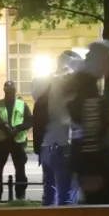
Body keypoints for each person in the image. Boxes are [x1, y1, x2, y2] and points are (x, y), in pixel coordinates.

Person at [69, 40, 109, 204]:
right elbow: (89, 133)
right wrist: (91, 172)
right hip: (95, 170)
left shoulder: (84, 84)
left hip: (92, 167)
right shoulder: (88, 88)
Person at [33, 50, 81, 206]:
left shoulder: (42, 82)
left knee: (49, 193)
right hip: (64, 145)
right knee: (67, 195)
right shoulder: (70, 81)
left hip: (46, 145)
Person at [0, 81, 32, 201]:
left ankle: (20, 196)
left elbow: (30, 121)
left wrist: (18, 128)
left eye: (12, 91)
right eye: (8, 91)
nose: (10, 93)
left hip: (17, 141)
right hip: (2, 141)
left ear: (15, 91)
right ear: (4, 91)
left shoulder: (22, 105)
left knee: (20, 170)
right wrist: (3, 126)